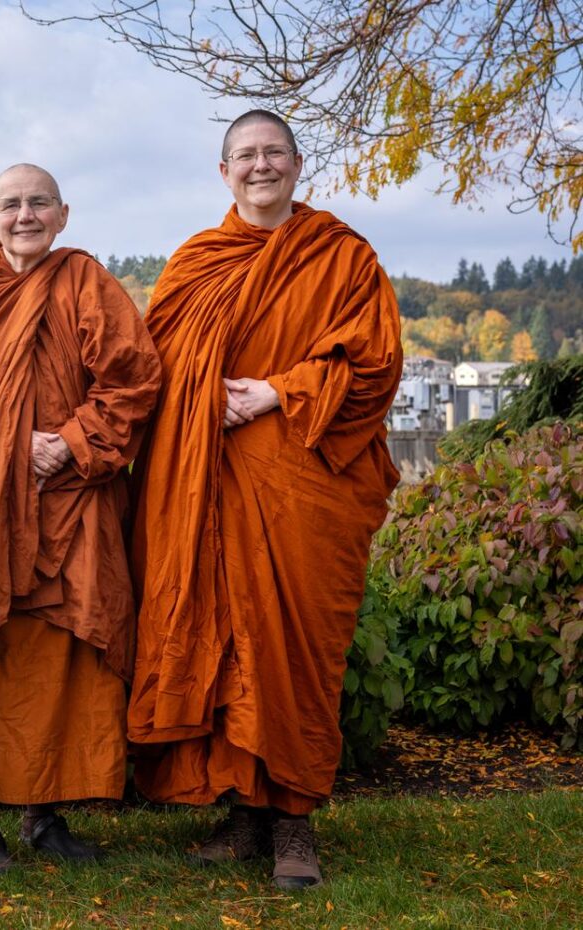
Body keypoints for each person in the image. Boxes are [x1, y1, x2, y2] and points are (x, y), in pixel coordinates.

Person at [128, 110, 403, 890]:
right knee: (226, 648)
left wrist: (279, 392)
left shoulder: (343, 256)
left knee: (295, 652)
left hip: (304, 489)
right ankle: (245, 818)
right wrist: (200, 393)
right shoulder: (196, 263)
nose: (260, 166)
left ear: (297, 163)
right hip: (208, 488)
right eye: (245, 155)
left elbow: (376, 366)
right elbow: (151, 367)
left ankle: (295, 826)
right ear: (224, 173)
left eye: (273, 152)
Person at [0, 164, 162, 873]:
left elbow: (136, 378)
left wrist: (71, 443)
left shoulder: (85, 282)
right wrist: (1, 447)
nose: (25, 216)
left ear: (63, 214)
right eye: (11, 205)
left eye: (39, 203)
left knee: (59, 657)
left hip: (69, 501)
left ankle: (43, 815)